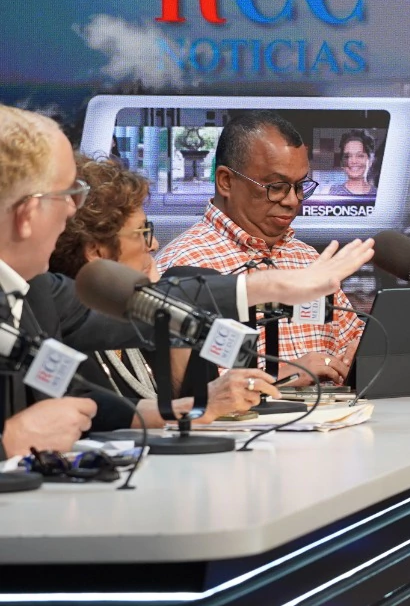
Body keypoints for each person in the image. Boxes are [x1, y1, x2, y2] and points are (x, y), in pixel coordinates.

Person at [0, 106, 374, 454]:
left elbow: (91, 387)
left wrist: (186, 409)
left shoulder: (39, 294)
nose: (72, 210)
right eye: (67, 194)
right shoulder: (182, 257)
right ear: (28, 213)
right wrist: (9, 441)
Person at [49, 155, 269, 424]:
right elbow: (99, 422)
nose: (153, 244)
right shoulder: (63, 333)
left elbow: (191, 409)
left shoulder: (137, 316)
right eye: (142, 231)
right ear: (97, 251)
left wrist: (166, 315)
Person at [155, 112, 363, 386]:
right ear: (226, 181)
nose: (292, 201)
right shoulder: (181, 269)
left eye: (300, 186)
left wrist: (359, 352)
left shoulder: (307, 258)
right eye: (276, 187)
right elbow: (171, 390)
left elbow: (351, 337)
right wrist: (280, 378)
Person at [330, 131, 376, 196]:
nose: (354, 161)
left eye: (360, 156)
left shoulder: (379, 195)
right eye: (348, 156)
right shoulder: (333, 194)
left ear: (370, 161)